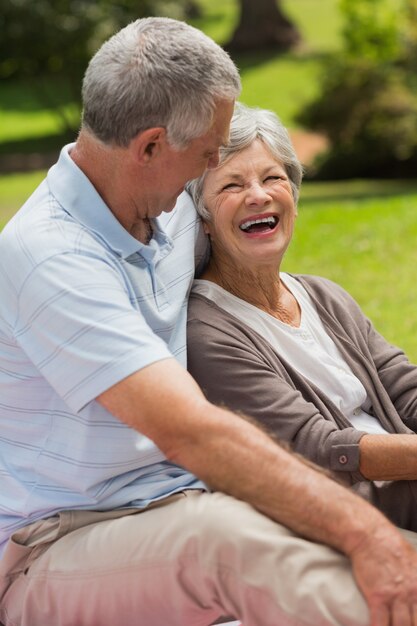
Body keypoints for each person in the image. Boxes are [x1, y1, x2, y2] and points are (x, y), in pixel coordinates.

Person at [1, 18, 417, 626]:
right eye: (209, 156)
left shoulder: (167, 216)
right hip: (63, 538)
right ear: (148, 147)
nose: (216, 163)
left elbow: (248, 245)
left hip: (183, 504)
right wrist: (366, 533)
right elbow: (191, 432)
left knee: (246, 525)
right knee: (224, 539)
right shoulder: (50, 255)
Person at [186, 102, 417, 533]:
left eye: (273, 177)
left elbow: (404, 389)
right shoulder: (207, 331)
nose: (259, 194)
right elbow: (316, 448)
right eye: (231, 185)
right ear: (204, 221)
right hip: (357, 517)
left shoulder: (323, 295)